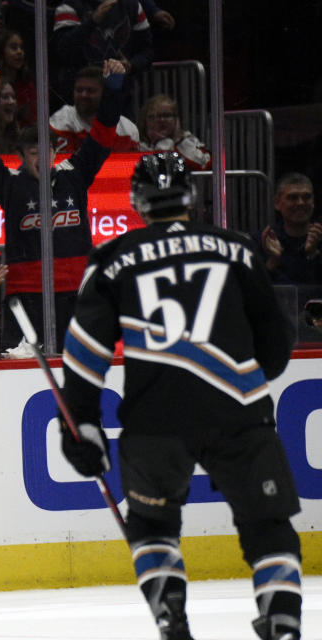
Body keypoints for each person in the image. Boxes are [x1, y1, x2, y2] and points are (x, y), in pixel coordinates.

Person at [59, 151, 302, 640]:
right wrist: (246, 376)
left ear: (137, 202)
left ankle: (171, 616)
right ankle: (282, 623)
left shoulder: (110, 261)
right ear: (191, 196)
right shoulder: (236, 247)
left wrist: (80, 424)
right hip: (240, 412)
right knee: (267, 521)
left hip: (155, 419)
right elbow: (277, 343)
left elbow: (85, 353)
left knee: (151, 523)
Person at [0, 59, 127, 351]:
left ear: (57, 151)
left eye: (47, 151)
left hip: (76, 291)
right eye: (32, 153)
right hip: (26, 295)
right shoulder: (10, 184)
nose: (41, 159)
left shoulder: (75, 174)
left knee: (82, 365)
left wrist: (113, 90)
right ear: (20, 155)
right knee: (20, 370)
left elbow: (103, 133)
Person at [51, 0, 152, 104]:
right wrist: (92, 21)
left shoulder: (132, 6)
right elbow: (64, 50)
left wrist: (131, 65)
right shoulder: (69, 6)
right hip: (80, 97)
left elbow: (147, 52)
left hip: (120, 96)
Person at [49, 65, 140, 153]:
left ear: (105, 94)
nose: (83, 95)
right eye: (79, 90)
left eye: (90, 91)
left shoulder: (128, 131)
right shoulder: (60, 121)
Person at [256, 173, 322, 286]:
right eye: (293, 197)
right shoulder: (264, 241)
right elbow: (254, 290)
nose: (300, 203)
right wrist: (273, 261)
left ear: (313, 202)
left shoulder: (319, 237)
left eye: (306, 197)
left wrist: (314, 255)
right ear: (277, 203)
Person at [137, 94, 211, 170]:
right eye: (154, 116)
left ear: (176, 120)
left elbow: (204, 167)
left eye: (167, 115)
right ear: (145, 120)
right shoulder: (137, 146)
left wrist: (177, 141)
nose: (161, 120)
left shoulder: (189, 142)